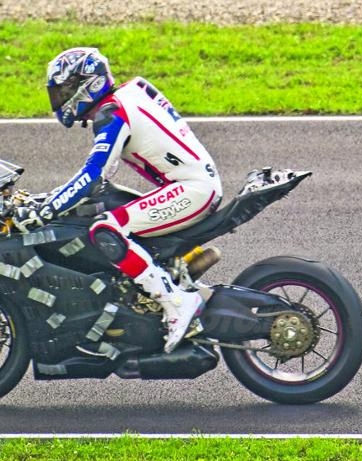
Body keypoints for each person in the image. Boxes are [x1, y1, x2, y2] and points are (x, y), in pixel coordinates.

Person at [13, 47, 223, 353]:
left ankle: (177, 303)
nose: (59, 99)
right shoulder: (126, 95)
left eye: (65, 90)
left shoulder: (112, 113)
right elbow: (97, 183)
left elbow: (93, 175)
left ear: (87, 84)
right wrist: (46, 200)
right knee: (107, 206)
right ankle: (179, 281)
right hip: (190, 185)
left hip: (193, 190)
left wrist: (46, 210)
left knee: (106, 229)